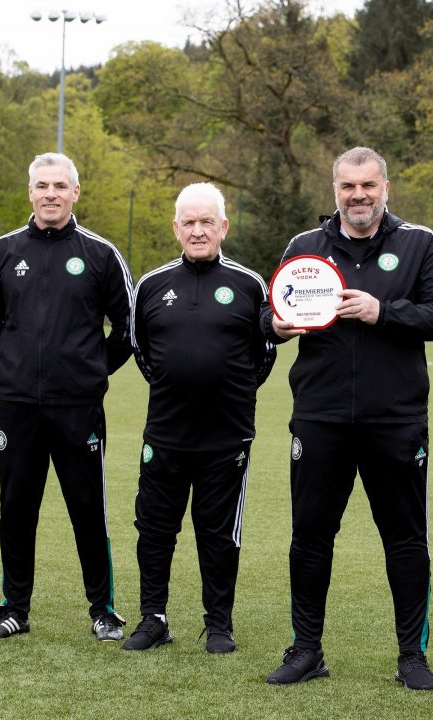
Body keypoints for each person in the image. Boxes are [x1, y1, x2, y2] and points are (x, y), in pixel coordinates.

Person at [261, 147, 433, 690]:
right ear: (335, 191)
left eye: (368, 185)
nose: (359, 195)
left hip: (395, 421)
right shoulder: (306, 247)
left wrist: (383, 312)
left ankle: (411, 657)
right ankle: (306, 651)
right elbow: (268, 312)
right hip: (320, 418)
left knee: (405, 539)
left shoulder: (419, 243)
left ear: (385, 188)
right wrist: (276, 327)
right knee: (309, 538)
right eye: (349, 186)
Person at [0, 152, 133, 642]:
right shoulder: (0, 253)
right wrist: (12, 362)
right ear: (30, 192)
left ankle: (102, 609)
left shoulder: (100, 254)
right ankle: (14, 609)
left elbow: (128, 327)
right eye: (41, 185)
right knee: (16, 508)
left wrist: (90, 370)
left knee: (88, 507)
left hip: (78, 407)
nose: (50, 194)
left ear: (75, 193)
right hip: (18, 406)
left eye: (59, 186)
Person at [122, 183, 275, 654]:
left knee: (218, 534)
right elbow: (141, 350)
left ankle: (218, 624)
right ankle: (154, 618)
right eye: (188, 222)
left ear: (223, 226)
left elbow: (263, 355)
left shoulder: (251, 285)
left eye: (207, 221)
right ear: (176, 228)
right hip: (165, 432)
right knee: (154, 529)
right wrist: (178, 383)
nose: (198, 230)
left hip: (226, 435)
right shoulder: (151, 285)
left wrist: (228, 389)